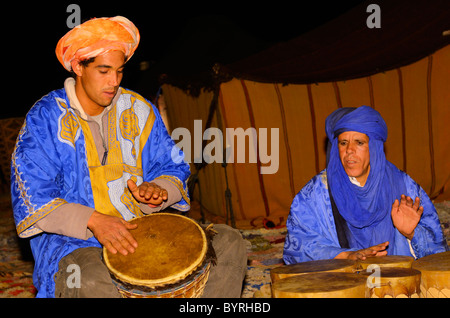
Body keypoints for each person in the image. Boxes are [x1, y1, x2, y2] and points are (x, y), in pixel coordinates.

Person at [11, 16, 246, 298]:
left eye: (120, 71)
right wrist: (94, 220)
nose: (114, 82)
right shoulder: (46, 118)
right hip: (75, 242)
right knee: (90, 280)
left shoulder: (138, 109)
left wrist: (159, 190)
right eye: (104, 71)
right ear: (78, 67)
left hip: (141, 230)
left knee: (229, 242)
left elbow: (173, 164)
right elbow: (31, 195)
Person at [283, 106, 448, 263]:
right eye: (343, 143)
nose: (349, 150)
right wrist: (348, 256)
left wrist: (411, 233)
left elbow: (438, 251)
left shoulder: (404, 187)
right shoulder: (315, 194)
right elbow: (297, 249)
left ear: (374, 147)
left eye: (359, 142)